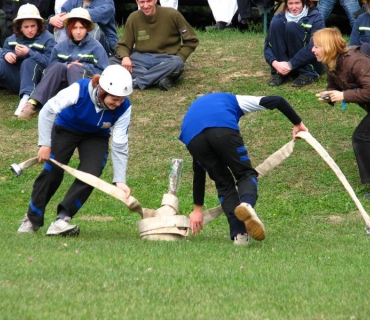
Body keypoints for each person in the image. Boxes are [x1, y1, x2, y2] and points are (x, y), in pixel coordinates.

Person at [17, 65, 133, 236]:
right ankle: (32, 219)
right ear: (102, 91)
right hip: (66, 129)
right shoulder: (79, 89)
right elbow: (47, 111)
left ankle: (62, 219)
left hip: (96, 136)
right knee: (52, 172)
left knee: (91, 175)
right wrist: (44, 144)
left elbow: (120, 144)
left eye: (122, 99)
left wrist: (120, 180)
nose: (118, 104)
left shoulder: (124, 107)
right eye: (115, 99)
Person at [179, 92, 308, 245]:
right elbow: (278, 101)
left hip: (192, 137)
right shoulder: (235, 100)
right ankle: (246, 204)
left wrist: (197, 209)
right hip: (223, 128)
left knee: (223, 183)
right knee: (245, 174)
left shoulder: (196, 111)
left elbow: (198, 169)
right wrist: (298, 124)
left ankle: (240, 235)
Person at [18, 7, 109, 120]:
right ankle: (32, 103)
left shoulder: (96, 47)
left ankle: (78, 106)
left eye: (82, 28)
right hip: (61, 87)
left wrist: (83, 66)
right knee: (57, 66)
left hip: (85, 87)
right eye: (75, 28)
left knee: (75, 68)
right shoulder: (59, 47)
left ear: (87, 29)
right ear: (69, 28)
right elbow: (49, 71)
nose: (78, 31)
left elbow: (104, 72)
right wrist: (65, 65)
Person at [312, 27, 370, 192]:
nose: (313, 50)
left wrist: (344, 95)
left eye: (316, 46)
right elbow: (333, 86)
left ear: (328, 47)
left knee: (361, 137)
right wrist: (328, 96)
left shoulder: (356, 62)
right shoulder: (331, 63)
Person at [109, 0, 199, 91]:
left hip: (166, 58)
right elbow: (123, 45)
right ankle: (159, 79)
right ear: (137, 2)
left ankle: (137, 82)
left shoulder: (173, 14)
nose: (146, 5)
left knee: (177, 63)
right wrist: (125, 57)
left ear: (155, 0)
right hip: (141, 58)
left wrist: (180, 56)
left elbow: (192, 40)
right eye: (142, 2)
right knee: (111, 61)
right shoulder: (133, 18)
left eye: (149, 1)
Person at [0, 4, 56, 116]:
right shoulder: (12, 39)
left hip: (37, 80)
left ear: (39, 25)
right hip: (17, 78)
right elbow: (5, 50)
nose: (30, 30)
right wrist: (7, 54)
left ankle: (25, 100)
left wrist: (29, 53)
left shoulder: (48, 38)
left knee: (28, 62)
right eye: (26, 27)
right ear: (20, 27)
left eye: (33, 26)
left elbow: (51, 63)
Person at [264, 0, 324, 87]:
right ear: (286, 4)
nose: (294, 7)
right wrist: (274, 63)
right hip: (284, 64)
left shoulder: (316, 16)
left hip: (310, 63)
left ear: (304, 3)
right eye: (290, 3)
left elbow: (316, 46)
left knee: (291, 26)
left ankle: (307, 73)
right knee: (276, 24)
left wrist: (291, 64)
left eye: (297, 3)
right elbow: (268, 44)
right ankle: (281, 73)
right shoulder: (278, 17)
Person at [51, 0, 118, 56]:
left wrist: (70, 15)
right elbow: (62, 17)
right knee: (62, 25)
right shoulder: (72, 2)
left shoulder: (107, 2)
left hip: (105, 45)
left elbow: (98, 14)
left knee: (89, 23)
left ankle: (87, 55)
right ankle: (62, 55)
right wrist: (52, 20)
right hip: (75, 43)